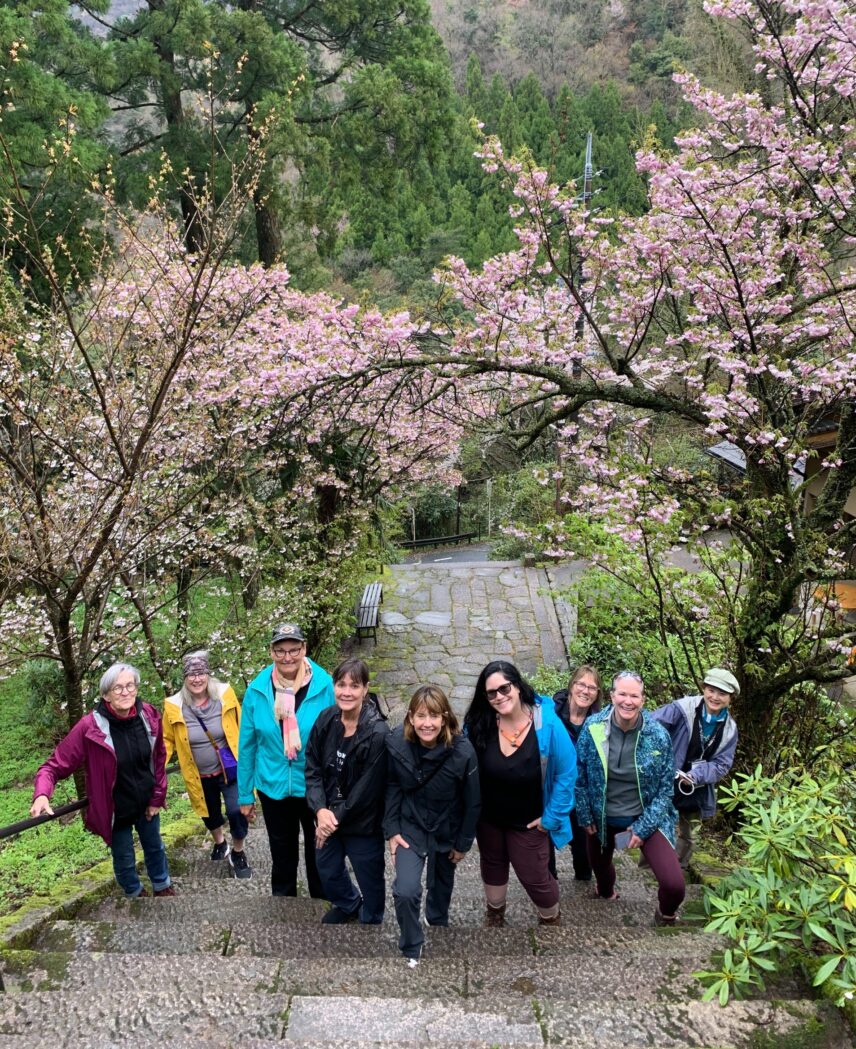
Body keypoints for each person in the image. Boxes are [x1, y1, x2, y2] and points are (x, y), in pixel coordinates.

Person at [30, 662, 175, 899]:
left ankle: (162, 885)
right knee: (124, 857)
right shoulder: (90, 727)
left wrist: (157, 797)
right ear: (106, 694)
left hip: (147, 802)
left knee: (155, 846)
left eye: (130, 685)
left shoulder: (148, 714)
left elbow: (159, 757)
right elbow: (53, 766)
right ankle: (134, 893)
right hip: (114, 808)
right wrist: (42, 793)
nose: (125, 692)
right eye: (117, 688)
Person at [463, 660, 576, 927]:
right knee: (492, 864)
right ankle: (495, 914)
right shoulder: (480, 723)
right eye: (491, 693)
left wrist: (551, 819)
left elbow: (567, 773)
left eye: (504, 689)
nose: (499, 697)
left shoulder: (546, 724)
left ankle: (550, 919)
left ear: (517, 686)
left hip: (530, 821)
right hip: (489, 818)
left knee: (534, 875)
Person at [575, 670, 685, 925]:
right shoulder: (593, 728)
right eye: (622, 693)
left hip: (643, 816)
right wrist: (584, 812)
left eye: (634, 695)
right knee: (601, 873)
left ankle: (666, 915)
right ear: (612, 696)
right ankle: (606, 893)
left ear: (643, 700)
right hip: (602, 817)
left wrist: (642, 828)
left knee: (674, 885)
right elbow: (579, 773)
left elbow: (665, 790)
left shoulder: (657, 736)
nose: (628, 701)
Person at [384, 684, 481, 966]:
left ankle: (437, 921)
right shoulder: (397, 744)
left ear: (445, 718)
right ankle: (412, 943)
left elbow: (473, 801)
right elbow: (391, 786)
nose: (428, 724)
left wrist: (463, 843)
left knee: (441, 885)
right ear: (411, 718)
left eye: (434, 716)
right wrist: (392, 830)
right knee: (405, 890)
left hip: (446, 827)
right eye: (422, 716)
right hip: (410, 826)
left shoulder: (463, 752)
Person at [237, 623, 334, 897]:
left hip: (314, 785)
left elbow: (335, 737)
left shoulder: (324, 686)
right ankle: (284, 904)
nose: (287, 657)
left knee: (319, 850)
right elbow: (247, 745)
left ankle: (322, 902)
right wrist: (245, 794)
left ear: (304, 649)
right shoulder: (258, 691)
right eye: (280, 651)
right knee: (281, 852)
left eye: (293, 650)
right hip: (272, 785)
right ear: (271, 652)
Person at [304, 658, 389, 924]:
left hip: (362, 822)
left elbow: (367, 790)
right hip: (328, 814)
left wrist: (331, 819)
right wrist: (319, 809)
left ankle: (373, 915)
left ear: (366, 689)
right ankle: (349, 903)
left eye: (354, 686)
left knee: (370, 876)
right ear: (334, 687)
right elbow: (313, 767)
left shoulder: (378, 733)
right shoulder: (326, 718)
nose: (347, 692)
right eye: (341, 685)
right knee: (326, 869)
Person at [163, 650, 251, 879]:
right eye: (191, 674)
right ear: (185, 678)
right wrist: (155, 770)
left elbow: (244, 727)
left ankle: (238, 852)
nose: (197, 679)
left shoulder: (225, 696)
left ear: (208, 675)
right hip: (199, 774)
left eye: (201, 673)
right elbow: (167, 740)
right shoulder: (174, 706)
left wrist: (253, 758)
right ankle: (220, 843)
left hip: (230, 770)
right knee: (209, 812)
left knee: (237, 810)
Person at [650, 667, 739, 869]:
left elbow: (722, 764)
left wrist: (696, 775)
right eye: (711, 690)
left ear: (730, 697)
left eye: (722, 693)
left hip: (695, 786)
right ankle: (653, 866)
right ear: (704, 689)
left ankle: (677, 867)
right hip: (667, 777)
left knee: (688, 832)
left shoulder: (729, 729)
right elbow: (652, 726)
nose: (715, 697)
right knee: (656, 821)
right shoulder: (682, 709)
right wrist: (660, 758)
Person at [551, 664, 603, 881]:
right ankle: (548, 886)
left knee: (584, 854)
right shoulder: (552, 714)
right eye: (581, 684)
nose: (585, 691)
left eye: (592, 687)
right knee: (544, 845)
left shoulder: (600, 723)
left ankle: (583, 883)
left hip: (582, 798)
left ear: (597, 694)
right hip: (552, 791)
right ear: (571, 686)